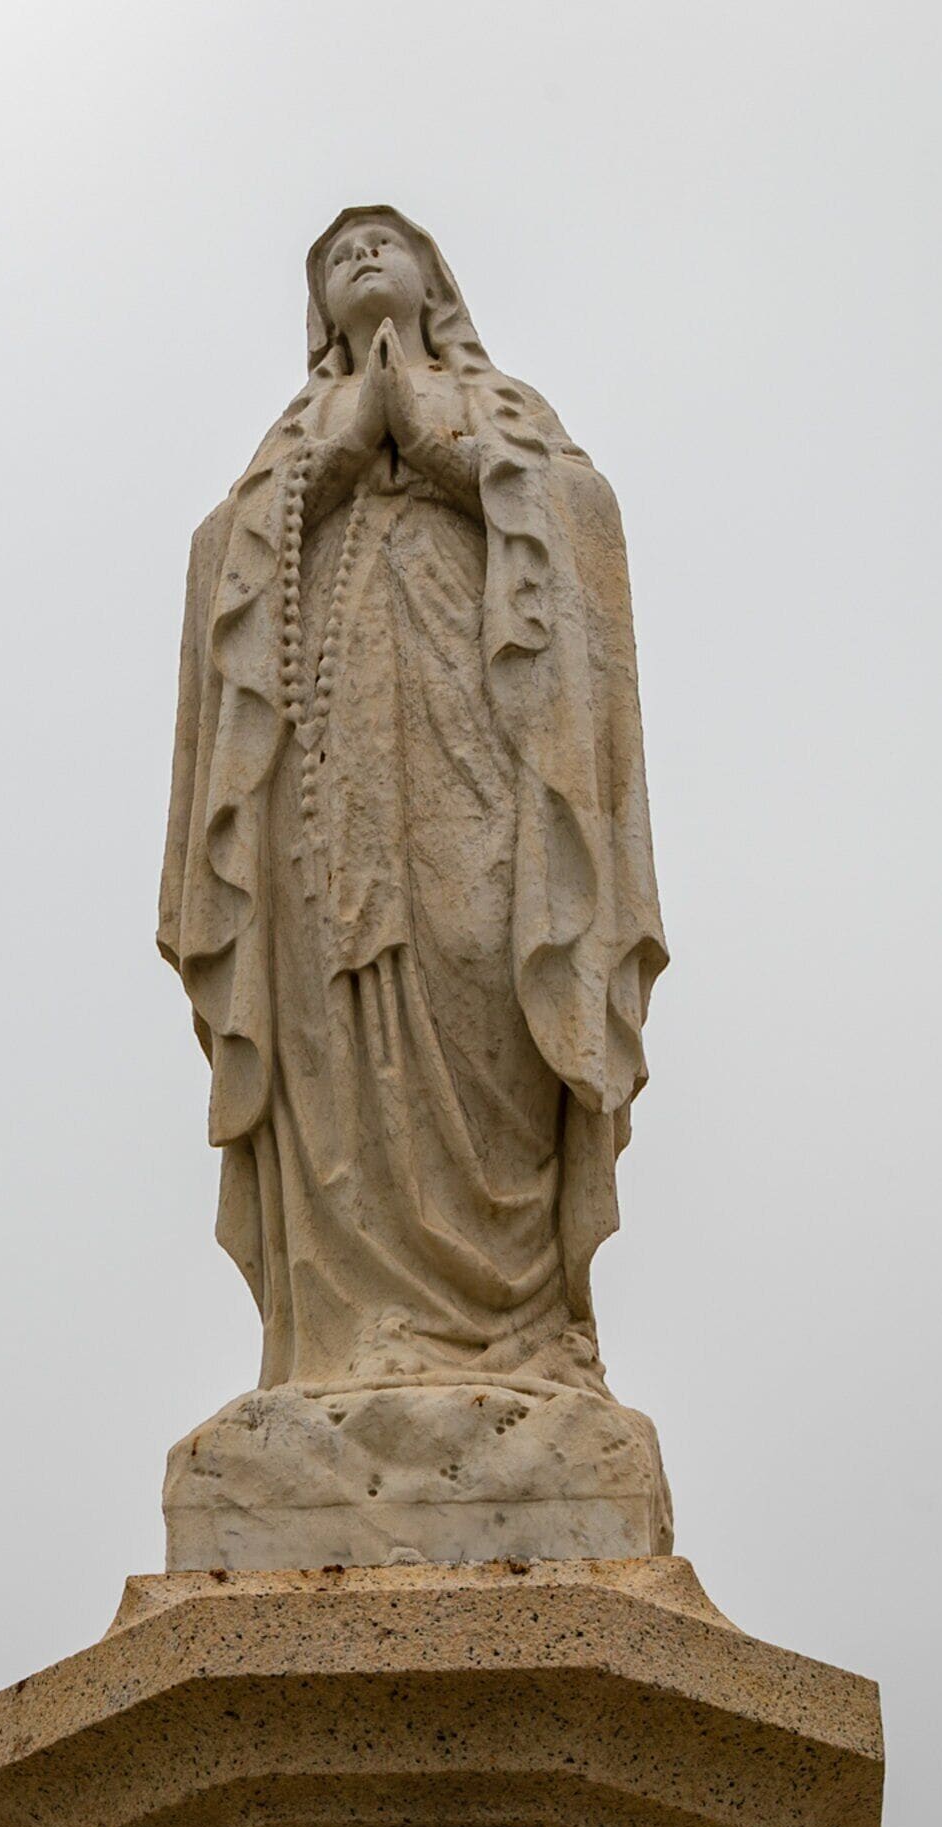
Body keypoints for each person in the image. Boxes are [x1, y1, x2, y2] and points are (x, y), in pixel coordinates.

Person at [157, 206, 666, 1404]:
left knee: (490, 973)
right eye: (337, 254)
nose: (362, 257)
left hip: (484, 771)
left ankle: (524, 1330)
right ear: (318, 308)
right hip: (329, 796)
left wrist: (446, 453)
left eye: (387, 243)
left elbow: (585, 536)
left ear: (437, 280)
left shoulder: (507, 415)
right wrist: (329, 471)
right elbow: (213, 570)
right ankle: (344, 1345)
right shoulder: (289, 449)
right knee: (333, 1022)